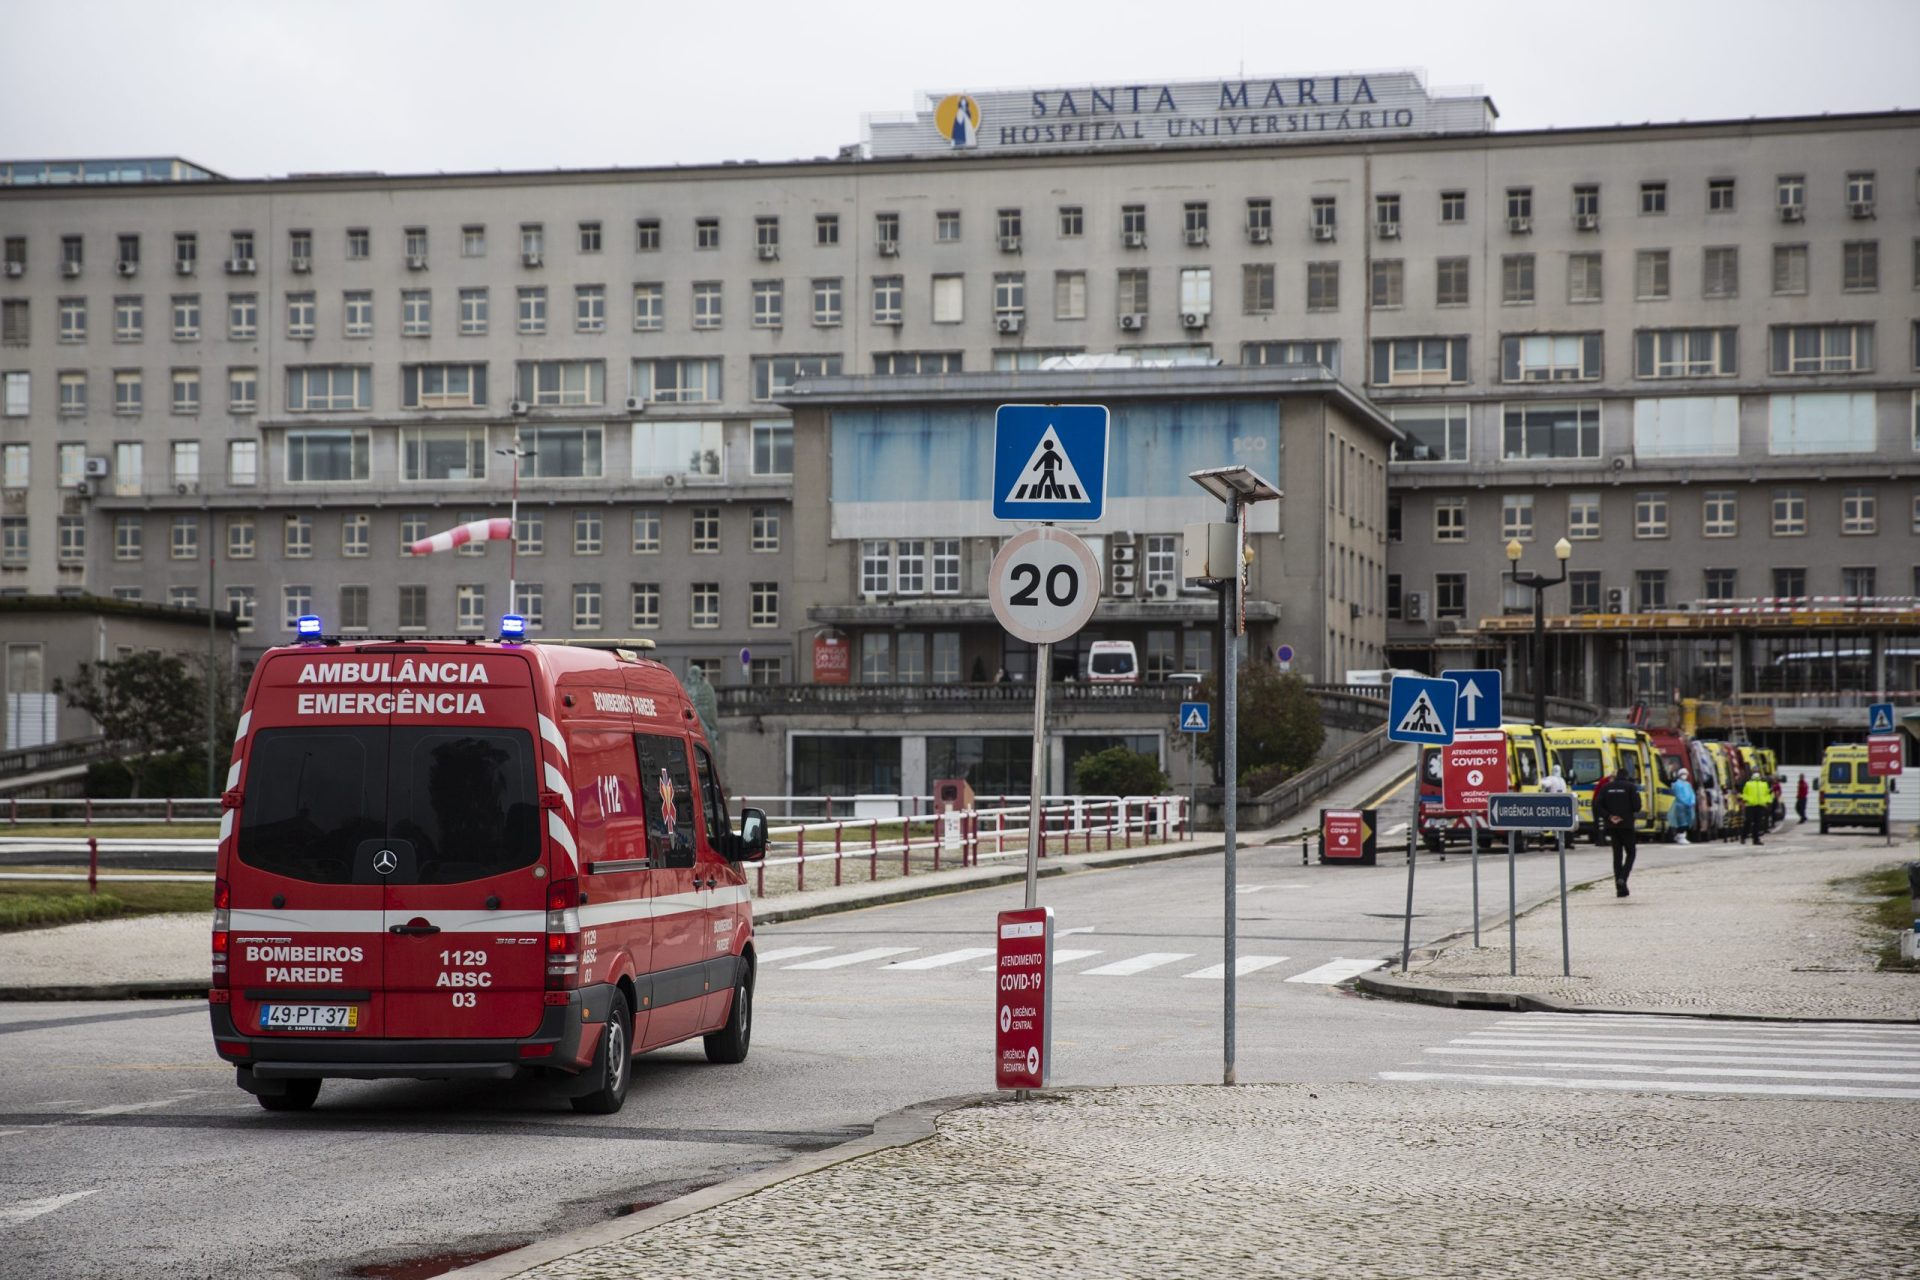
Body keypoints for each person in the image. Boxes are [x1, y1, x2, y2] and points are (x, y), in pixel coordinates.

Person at [1593, 769, 1641, 897]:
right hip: (1627, 825)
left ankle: (1620, 889)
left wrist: (1609, 816)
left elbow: (1597, 805)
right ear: (1626, 776)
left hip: (1612, 826)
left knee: (1617, 856)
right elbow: (1637, 806)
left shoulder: (1606, 787)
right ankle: (1623, 878)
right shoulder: (1631, 787)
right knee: (1631, 853)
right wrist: (1624, 814)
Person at [1739, 771, 1773, 845]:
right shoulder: (1764, 784)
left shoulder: (1749, 784)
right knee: (1756, 823)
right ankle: (1754, 839)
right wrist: (1768, 803)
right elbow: (1768, 794)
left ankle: (1745, 838)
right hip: (1757, 806)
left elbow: (1744, 794)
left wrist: (1744, 801)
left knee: (1750, 822)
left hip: (1752, 805)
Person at [1669, 769, 1696, 845]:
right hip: (1680, 806)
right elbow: (1679, 795)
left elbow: (1692, 794)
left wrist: (1692, 801)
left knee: (1688, 821)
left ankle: (1680, 836)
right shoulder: (1676, 784)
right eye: (1683, 774)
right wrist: (1686, 802)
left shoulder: (1688, 784)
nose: (1685, 776)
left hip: (1689, 806)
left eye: (1686, 774)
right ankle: (1681, 837)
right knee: (1682, 822)